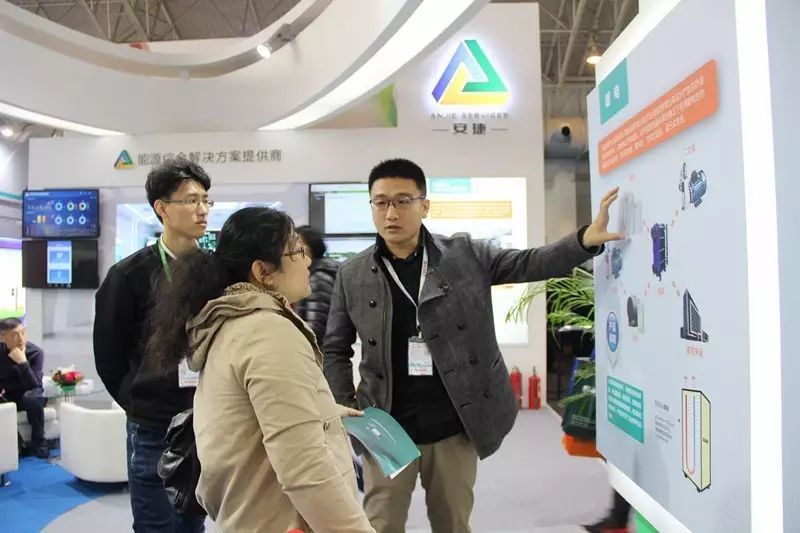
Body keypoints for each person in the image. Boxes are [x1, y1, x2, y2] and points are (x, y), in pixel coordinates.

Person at [323, 158, 623, 533]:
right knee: (380, 522)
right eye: (381, 202)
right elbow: (335, 347)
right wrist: (349, 412)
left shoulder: (463, 255)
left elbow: (527, 263)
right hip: (386, 424)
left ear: (424, 205)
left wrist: (583, 241)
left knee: (452, 521)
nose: (391, 213)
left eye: (402, 200)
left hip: (453, 421)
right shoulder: (351, 274)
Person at [145, 207, 375, 533]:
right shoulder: (268, 333)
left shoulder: (235, 323)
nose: (308, 261)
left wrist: (323, 409)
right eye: (297, 251)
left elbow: (251, 416)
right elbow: (304, 467)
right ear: (263, 271)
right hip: (283, 520)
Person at [93, 157, 211, 533]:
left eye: (205, 199)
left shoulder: (217, 272)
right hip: (152, 426)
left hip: (204, 419)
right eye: (191, 200)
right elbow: (108, 354)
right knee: (154, 525)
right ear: (162, 208)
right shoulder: (128, 275)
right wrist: (137, 401)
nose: (202, 209)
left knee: (192, 522)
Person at [0, 318, 48, 459]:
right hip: (7, 396)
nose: (21, 339)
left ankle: (40, 442)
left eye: (23, 332)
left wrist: (23, 362)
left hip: (30, 394)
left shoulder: (36, 353)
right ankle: (18, 444)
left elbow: (34, 385)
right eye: (14, 335)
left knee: (32, 397)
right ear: (2, 338)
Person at [293, 225, 340, 345]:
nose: (295, 249)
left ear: (313, 247)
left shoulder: (318, 277)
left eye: (300, 244)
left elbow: (315, 326)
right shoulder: (315, 272)